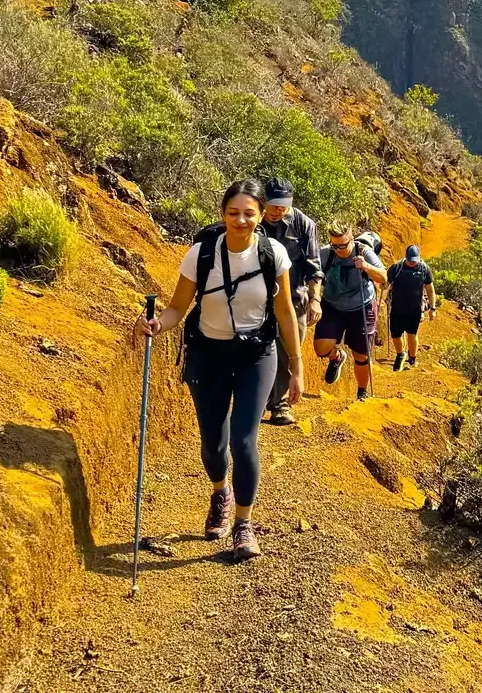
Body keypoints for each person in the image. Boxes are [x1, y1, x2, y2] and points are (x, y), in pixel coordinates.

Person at [132, 180, 302, 561]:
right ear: (223, 213)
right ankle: (219, 492)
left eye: (248, 213)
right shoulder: (201, 253)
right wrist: (157, 324)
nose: (240, 220)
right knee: (214, 443)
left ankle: (243, 524)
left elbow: (286, 312)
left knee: (243, 440)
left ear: (261, 217)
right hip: (208, 354)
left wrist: (296, 366)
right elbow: (177, 307)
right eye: (233, 212)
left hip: (257, 355)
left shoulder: (272, 254)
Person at [254, 178, 318, 427]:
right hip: (258, 298)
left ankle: (279, 404)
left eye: (283, 206)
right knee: (259, 348)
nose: (277, 211)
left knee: (288, 350)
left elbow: (314, 266)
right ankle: (259, 401)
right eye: (273, 205)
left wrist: (316, 300)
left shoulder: (304, 224)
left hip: (295, 299)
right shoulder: (254, 221)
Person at [313, 222, 386, 403]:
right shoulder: (326, 253)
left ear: (351, 238)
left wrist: (366, 267)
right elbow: (313, 275)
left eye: (343, 245)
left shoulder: (364, 252)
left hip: (361, 306)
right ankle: (336, 357)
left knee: (361, 355)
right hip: (332, 305)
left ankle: (362, 392)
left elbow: (383, 277)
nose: (339, 249)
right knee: (321, 348)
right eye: (335, 245)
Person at [386, 244, 436, 371]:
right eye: (410, 260)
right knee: (395, 335)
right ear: (406, 257)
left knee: (412, 335)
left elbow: (430, 290)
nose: (413, 263)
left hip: (414, 310)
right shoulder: (396, 268)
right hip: (396, 309)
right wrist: (383, 285)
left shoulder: (424, 269)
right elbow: (386, 282)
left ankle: (412, 358)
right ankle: (400, 354)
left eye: (415, 260)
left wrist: (433, 308)